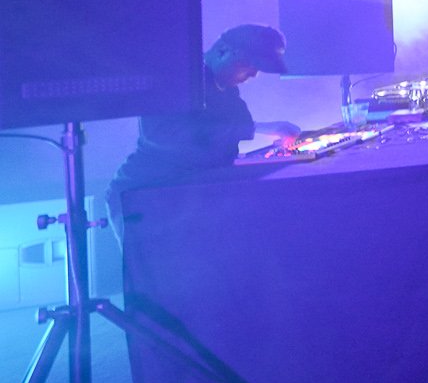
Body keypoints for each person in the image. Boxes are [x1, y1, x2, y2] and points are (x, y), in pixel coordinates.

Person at [109, 24, 300, 236]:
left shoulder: (225, 87)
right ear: (222, 52)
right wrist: (260, 128)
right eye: (248, 64)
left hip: (183, 195)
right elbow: (162, 133)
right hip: (144, 197)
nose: (254, 74)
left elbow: (238, 126)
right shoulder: (177, 76)